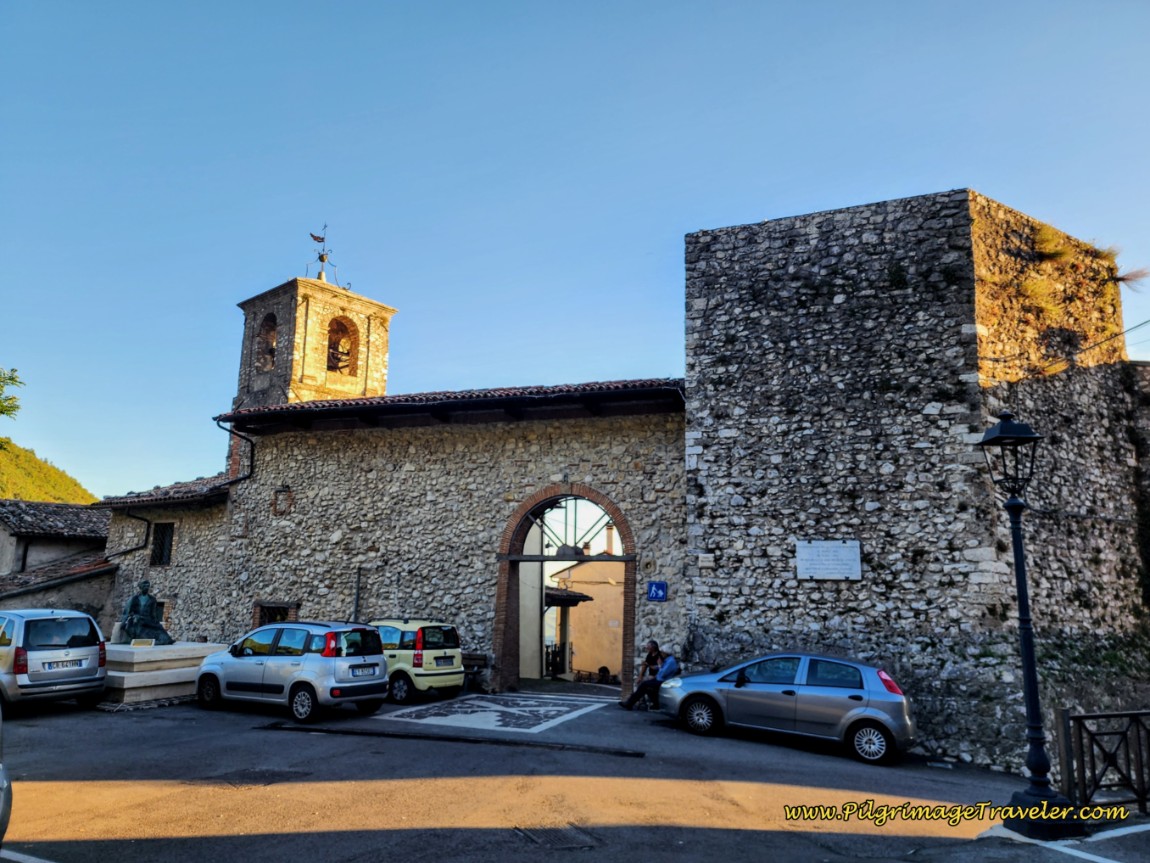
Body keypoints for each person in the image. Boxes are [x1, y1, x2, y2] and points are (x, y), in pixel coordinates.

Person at [121, 579, 174, 645]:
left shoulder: (152, 599)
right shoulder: (134, 599)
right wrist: (131, 617)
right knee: (144, 633)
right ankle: (151, 641)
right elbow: (127, 612)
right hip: (138, 621)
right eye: (144, 585)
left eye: (147, 586)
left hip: (149, 621)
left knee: (162, 633)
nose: (146, 587)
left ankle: (163, 640)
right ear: (140, 587)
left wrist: (156, 623)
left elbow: (154, 614)